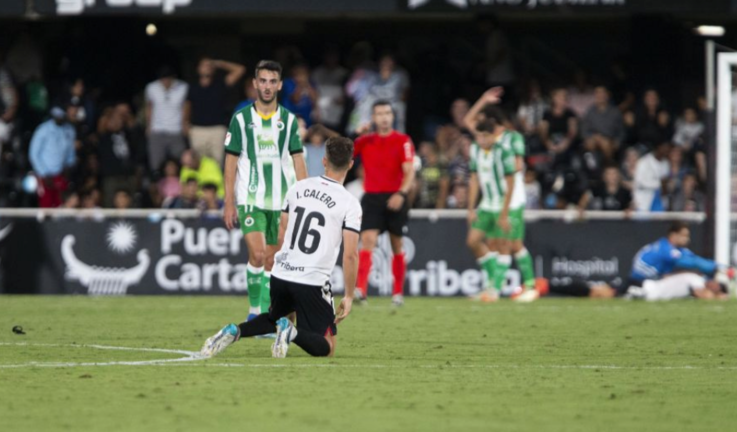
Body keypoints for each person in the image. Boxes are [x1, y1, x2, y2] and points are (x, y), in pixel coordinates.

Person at [201, 136, 361, 359]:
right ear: (351, 164)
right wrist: (350, 295)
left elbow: (282, 231)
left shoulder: (298, 188)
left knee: (273, 318)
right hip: (312, 280)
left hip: (281, 273)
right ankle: (291, 332)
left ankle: (235, 331)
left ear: (324, 161)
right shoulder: (349, 202)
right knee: (327, 348)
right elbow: (351, 255)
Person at [222, 60, 308, 323]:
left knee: (271, 260)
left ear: (280, 85)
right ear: (255, 84)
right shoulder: (241, 119)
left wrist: (304, 199)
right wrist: (228, 202)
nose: (268, 86)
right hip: (250, 198)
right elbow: (231, 162)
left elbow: (298, 160)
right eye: (263, 81)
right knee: (258, 254)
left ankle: (267, 316)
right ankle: (254, 313)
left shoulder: (290, 121)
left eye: (273, 81)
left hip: (281, 202)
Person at [463, 89, 535, 302]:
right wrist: (483, 99)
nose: (479, 124)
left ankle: (527, 285)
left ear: (496, 125)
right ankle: (494, 283)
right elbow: (468, 121)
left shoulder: (512, 140)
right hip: (491, 199)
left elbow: (517, 168)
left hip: (512, 198)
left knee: (512, 244)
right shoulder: (480, 143)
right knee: (490, 243)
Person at [353, 100, 416, 306]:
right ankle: (360, 290)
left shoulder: (403, 140)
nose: (384, 117)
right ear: (373, 117)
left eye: (387, 113)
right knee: (367, 240)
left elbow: (409, 172)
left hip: (395, 196)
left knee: (396, 243)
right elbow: (344, 156)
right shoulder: (365, 140)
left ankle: (397, 293)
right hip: (372, 197)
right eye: (379, 113)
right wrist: (356, 136)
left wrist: (401, 193)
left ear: (393, 116)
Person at [628, 222, 729, 293]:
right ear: (673, 235)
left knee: (693, 275)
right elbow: (692, 262)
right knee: (690, 278)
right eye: (684, 235)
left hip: (655, 280)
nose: (687, 239)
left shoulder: (677, 249)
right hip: (642, 283)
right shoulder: (666, 249)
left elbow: (695, 259)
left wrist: (717, 268)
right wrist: (718, 268)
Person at [187, 58, 246, 164]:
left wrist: (218, 63)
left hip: (218, 129)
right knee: (198, 164)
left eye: (209, 65)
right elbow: (187, 107)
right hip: (197, 129)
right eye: (203, 65)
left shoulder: (221, 83)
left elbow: (240, 69)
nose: (207, 67)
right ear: (198, 69)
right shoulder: (192, 87)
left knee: (217, 163)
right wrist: (186, 125)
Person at [28, 106, 76, 208]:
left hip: (61, 175)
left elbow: (71, 152)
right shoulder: (43, 130)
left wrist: (69, 166)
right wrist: (44, 174)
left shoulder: (69, 130)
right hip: (44, 176)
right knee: (46, 205)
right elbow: (33, 154)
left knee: (62, 205)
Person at [145, 67, 189, 174]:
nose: (165, 81)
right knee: (156, 163)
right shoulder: (151, 87)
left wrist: (184, 124)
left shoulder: (183, 87)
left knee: (180, 162)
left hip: (176, 130)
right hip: (157, 130)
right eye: (163, 79)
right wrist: (148, 126)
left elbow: (186, 107)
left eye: (168, 79)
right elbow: (149, 107)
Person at [581, 86, 624, 163]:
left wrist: (618, 141)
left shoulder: (615, 112)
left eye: (602, 93)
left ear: (607, 95)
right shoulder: (590, 111)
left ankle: (608, 165)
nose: (600, 96)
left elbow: (621, 131)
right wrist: (595, 137)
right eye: (597, 93)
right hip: (593, 138)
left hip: (609, 139)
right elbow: (584, 130)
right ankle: (592, 166)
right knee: (590, 143)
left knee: (606, 143)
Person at [633, 141, 671, 212]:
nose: (667, 150)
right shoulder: (643, 162)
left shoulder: (666, 164)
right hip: (643, 203)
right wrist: (659, 184)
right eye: (664, 147)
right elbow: (639, 183)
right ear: (658, 147)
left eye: (668, 148)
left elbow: (665, 186)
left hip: (659, 203)